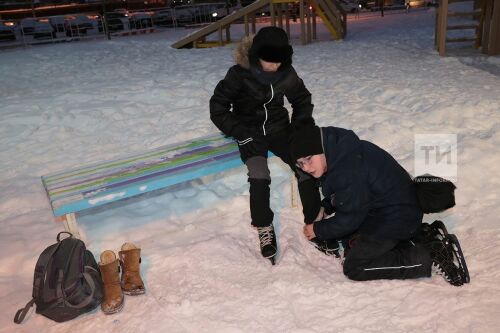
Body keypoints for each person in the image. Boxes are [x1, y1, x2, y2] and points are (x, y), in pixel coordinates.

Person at [290, 125, 470, 286]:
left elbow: (350, 218)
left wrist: (318, 230)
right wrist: (327, 206)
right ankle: (420, 237)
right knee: (350, 239)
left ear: (321, 149)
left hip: (396, 218)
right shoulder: (344, 151)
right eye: (300, 163)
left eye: (308, 159)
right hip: (394, 208)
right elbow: (350, 195)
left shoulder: (347, 170)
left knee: (355, 266)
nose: (306, 167)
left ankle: (428, 257)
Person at [209, 27, 323, 264]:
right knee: (259, 175)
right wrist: (239, 132)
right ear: (255, 55)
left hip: (279, 129)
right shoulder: (239, 74)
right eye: (267, 61)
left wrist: (299, 128)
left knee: (305, 167)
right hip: (249, 132)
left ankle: (315, 222)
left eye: (277, 63)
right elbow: (218, 108)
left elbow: (302, 99)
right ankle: (263, 225)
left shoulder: (286, 73)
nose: (272, 67)